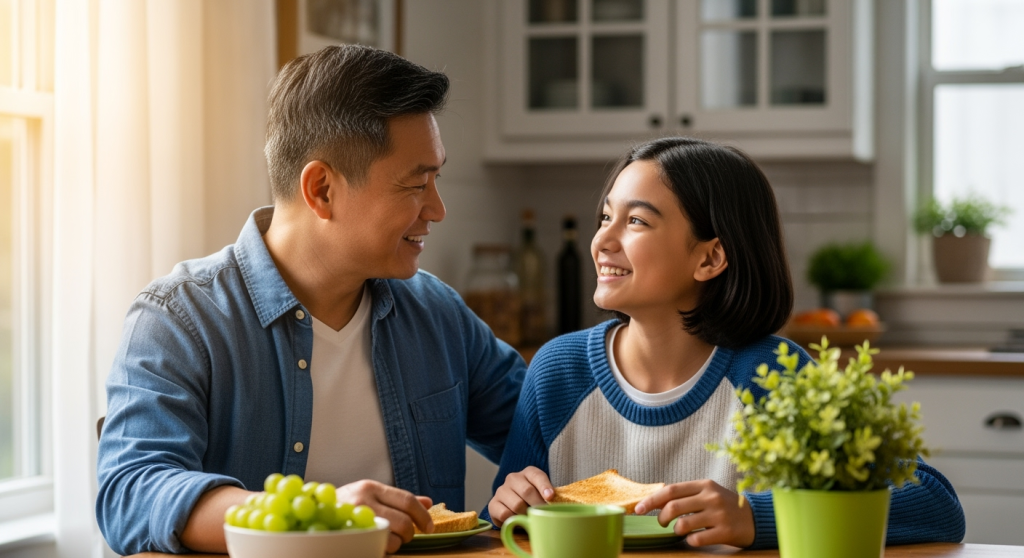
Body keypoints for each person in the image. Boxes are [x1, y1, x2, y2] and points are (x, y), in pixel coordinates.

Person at [96, 45, 527, 556]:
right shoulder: (179, 319)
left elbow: (550, 427)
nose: (437, 209)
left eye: (436, 179)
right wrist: (320, 518)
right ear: (321, 188)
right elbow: (131, 493)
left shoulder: (436, 313)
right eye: (415, 184)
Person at [486, 137, 966, 548]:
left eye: (636, 222)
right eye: (606, 217)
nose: (602, 241)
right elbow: (504, 528)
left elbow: (936, 502)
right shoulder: (557, 371)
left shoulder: (771, 374)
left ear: (711, 257)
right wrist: (508, 502)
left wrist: (754, 517)